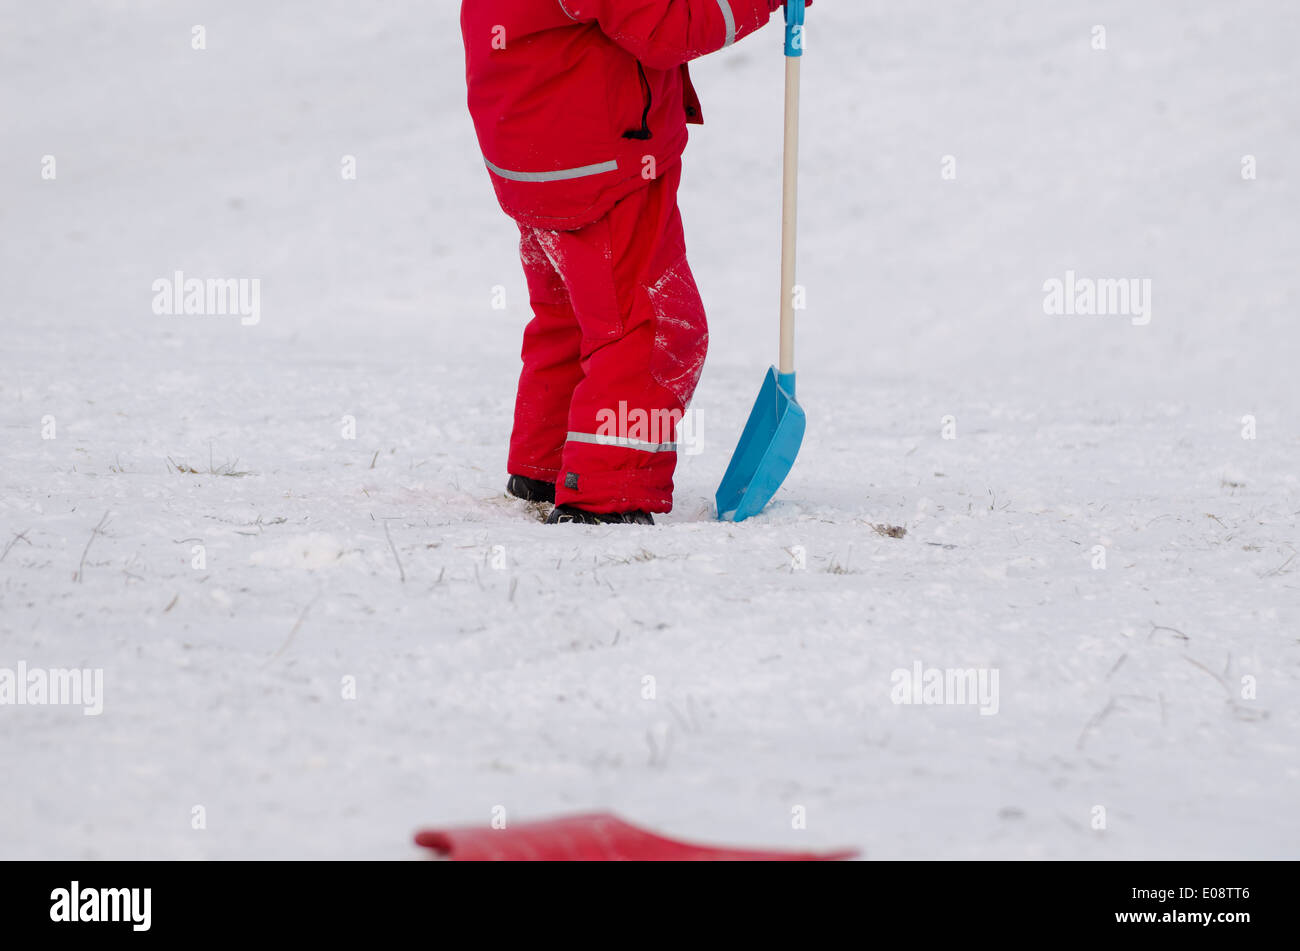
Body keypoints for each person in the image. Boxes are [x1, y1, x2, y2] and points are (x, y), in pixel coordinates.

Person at [461, 1, 802, 524]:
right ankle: (607, 491)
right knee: (651, 328)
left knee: (576, 319)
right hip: (601, 166)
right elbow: (667, 25)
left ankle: (548, 465)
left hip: (535, 157)